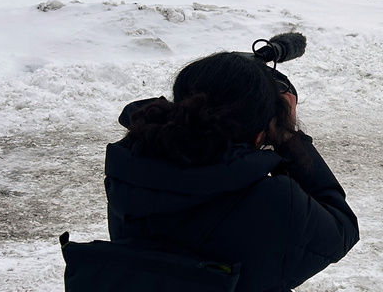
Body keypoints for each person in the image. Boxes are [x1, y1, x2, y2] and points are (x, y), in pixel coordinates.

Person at [104, 50, 359, 292]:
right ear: (260, 132)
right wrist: (287, 136)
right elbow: (342, 229)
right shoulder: (275, 200)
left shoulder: (129, 174)